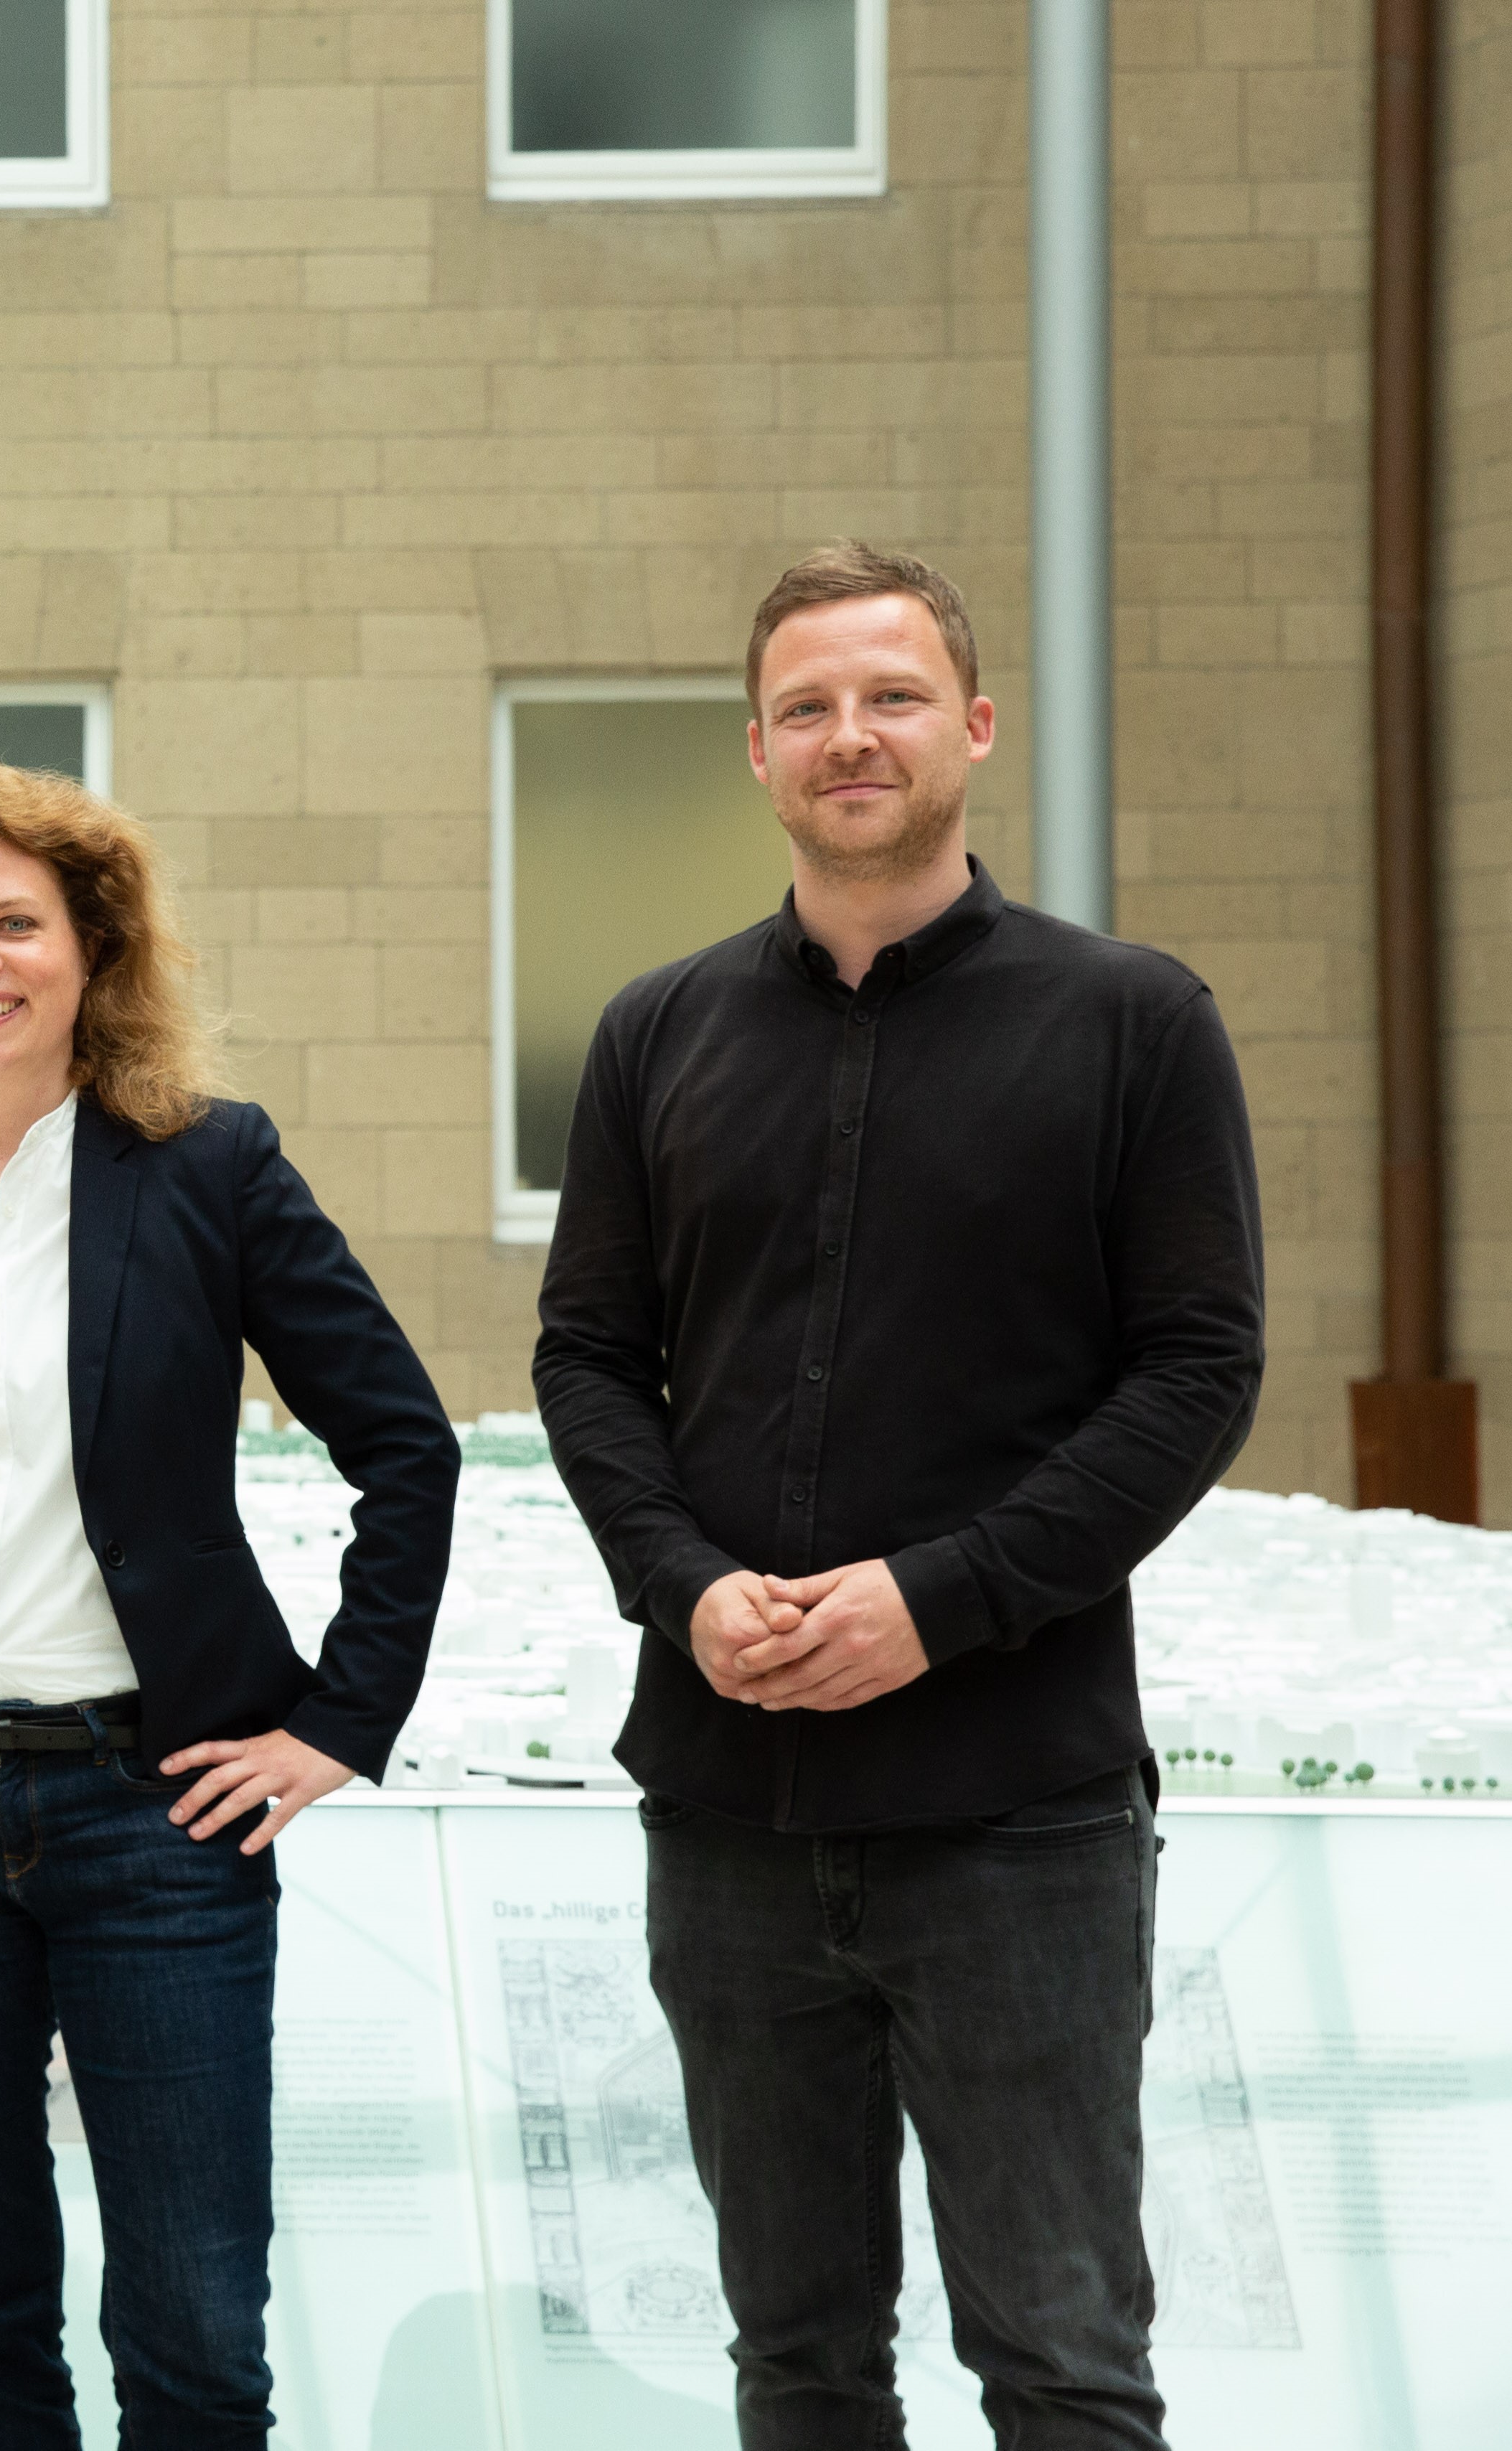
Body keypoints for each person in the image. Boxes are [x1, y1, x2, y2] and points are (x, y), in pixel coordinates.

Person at [532, 543, 1266, 2451]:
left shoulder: (1133, 1022)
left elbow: (1196, 1371)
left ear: (975, 725)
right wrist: (682, 1586)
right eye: (805, 706)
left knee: (1060, 2364)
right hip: (728, 1811)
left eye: (889, 697)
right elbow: (587, 1359)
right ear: (755, 751)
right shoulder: (653, 1033)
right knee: (796, 2364)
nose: (846, 735)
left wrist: (938, 1600)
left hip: (1017, 1816)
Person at [0, 761, 460, 2449]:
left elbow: (404, 1448)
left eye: (12, 923)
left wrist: (334, 1722)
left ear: (91, 945)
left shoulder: (206, 1168)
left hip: (158, 1813)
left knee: (193, 2325)